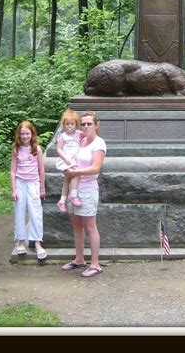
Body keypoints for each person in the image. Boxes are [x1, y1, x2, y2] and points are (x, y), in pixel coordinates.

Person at [61, 110, 106, 278]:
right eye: (84, 123)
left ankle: (95, 264)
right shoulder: (81, 140)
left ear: (96, 125)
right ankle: (79, 259)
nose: (86, 126)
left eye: (89, 123)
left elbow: (96, 167)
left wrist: (76, 172)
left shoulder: (99, 144)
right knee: (77, 225)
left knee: (90, 226)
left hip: (88, 189)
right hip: (75, 189)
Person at [10, 120, 47, 260]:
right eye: (22, 133)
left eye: (27, 133)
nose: (25, 136)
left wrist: (42, 187)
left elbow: (41, 170)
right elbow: (13, 171)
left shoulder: (36, 149)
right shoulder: (16, 149)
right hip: (20, 183)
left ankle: (37, 242)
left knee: (35, 212)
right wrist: (14, 189)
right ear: (19, 135)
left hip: (33, 183)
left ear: (32, 134)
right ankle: (20, 240)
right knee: (20, 211)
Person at [55, 109, 82, 212]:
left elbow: (86, 138)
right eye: (67, 124)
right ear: (63, 125)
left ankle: (62, 201)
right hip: (67, 160)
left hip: (75, 159)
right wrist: (65, 159)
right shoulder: (62, 136)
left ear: (76, 124)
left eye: (72, 123)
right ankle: (73, 195)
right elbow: (59, 149)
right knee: (76, 174)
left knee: (66, 180)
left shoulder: (78, 134)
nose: (69, 126)